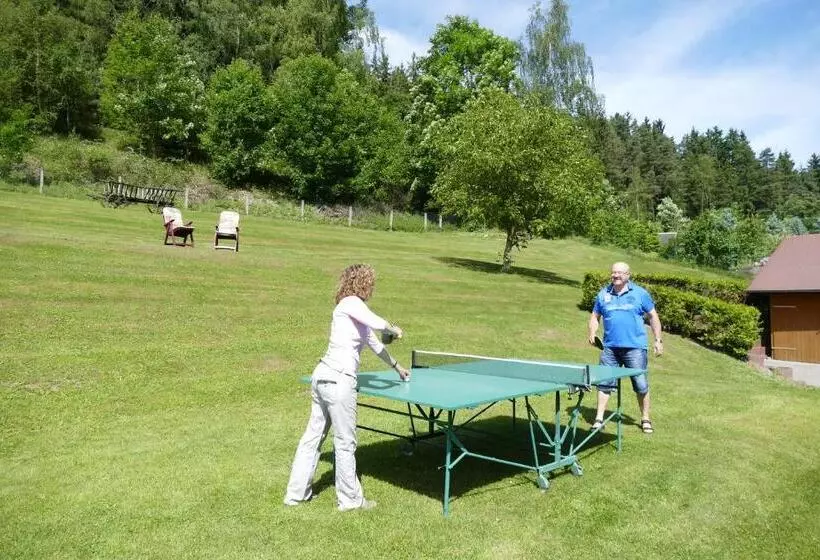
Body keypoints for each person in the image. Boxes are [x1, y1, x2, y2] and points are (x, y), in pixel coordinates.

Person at [284, 264, 410, 511]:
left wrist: (397, 367)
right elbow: (376, 323)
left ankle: (296, 495)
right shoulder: (351, 303)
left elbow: (374, 343)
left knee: (313, 438)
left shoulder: (353, 314)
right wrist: (393, 328)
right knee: (344, 442)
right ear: (363, 283)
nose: (372, 288)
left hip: (322, 377)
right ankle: (350, 500)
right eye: (370, 282)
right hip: (339, 380)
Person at [587, 261, 663, 434]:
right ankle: (599, 419)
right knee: (605, 383)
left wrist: (658, 340)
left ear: (628, 275)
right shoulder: (603, 294)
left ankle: (645, 418)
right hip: (610, 348)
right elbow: (594, 316)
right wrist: (592, 331)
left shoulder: (640, 294)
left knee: (641, 384)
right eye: (613, 272)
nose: (616, 275)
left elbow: (653, 316)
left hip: (635, 348)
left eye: (620, 273)